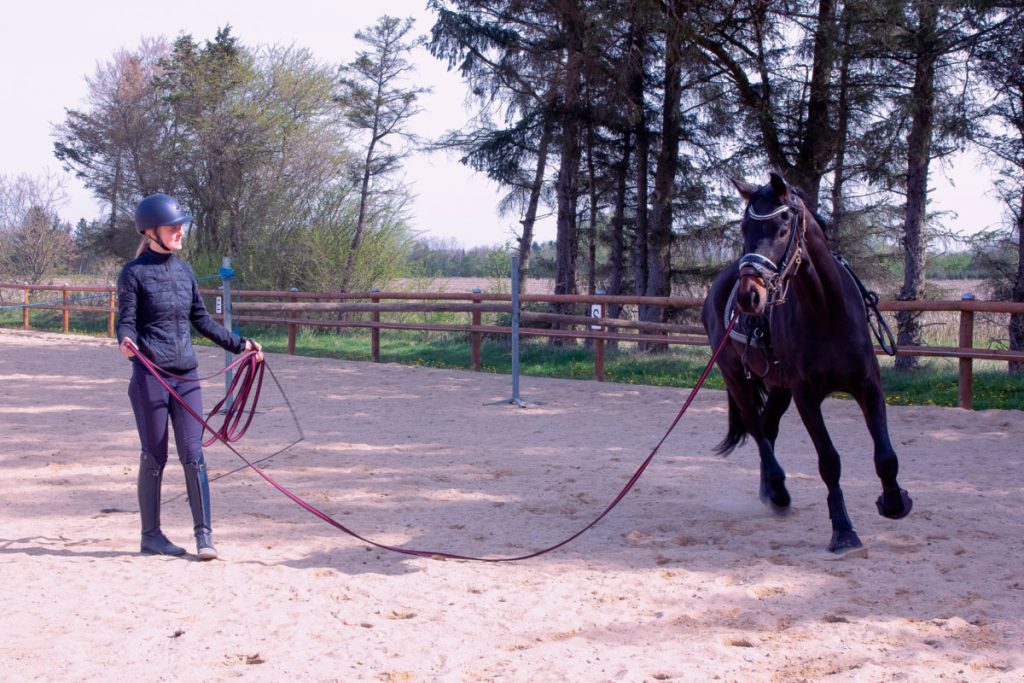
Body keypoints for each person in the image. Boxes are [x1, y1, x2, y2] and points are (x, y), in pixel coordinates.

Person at [117, 193, 263, 560]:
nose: (180, 231)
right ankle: (151, 536)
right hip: (150, 377)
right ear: (151, 232)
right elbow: (126, 321)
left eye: (181, 226)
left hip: (187, 376)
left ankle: (204, 535)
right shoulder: (133, 273)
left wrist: (239, 345)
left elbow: (201, 319)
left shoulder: (184, 272)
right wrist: (126, 340)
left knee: (193, 453)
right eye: (172, 227)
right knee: (154, 455)